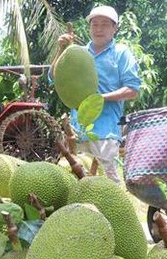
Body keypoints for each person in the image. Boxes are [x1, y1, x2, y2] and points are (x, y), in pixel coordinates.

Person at [51, 5, 141, 184]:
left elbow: (133, 90)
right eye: (95, 24)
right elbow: (54, 77)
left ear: (115, 28)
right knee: (74, 180)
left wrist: (100, 98)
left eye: (105, 25)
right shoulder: (78, 53)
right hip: (77, 130)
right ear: (89, 28)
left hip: (106, 129)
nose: (99, 29)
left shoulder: (121, 53)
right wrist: (61, 49)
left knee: (107, 183)